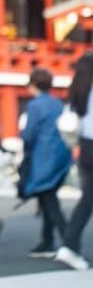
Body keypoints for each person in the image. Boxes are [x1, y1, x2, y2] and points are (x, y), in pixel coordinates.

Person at [21, 67, 71, 258]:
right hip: (60, 155)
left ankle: (68, 240)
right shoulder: (58, 103)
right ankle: (47, 239)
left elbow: (29, 134)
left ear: (34, 85)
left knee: (49, 200)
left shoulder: (35, 106)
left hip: (43, 157)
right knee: (48, 197)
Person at [56, 52, 93, 270]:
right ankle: (69, 245)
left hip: (86, 148)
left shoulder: (77, 94)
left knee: (87, 201)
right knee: (87, 201)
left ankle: (69, 245)